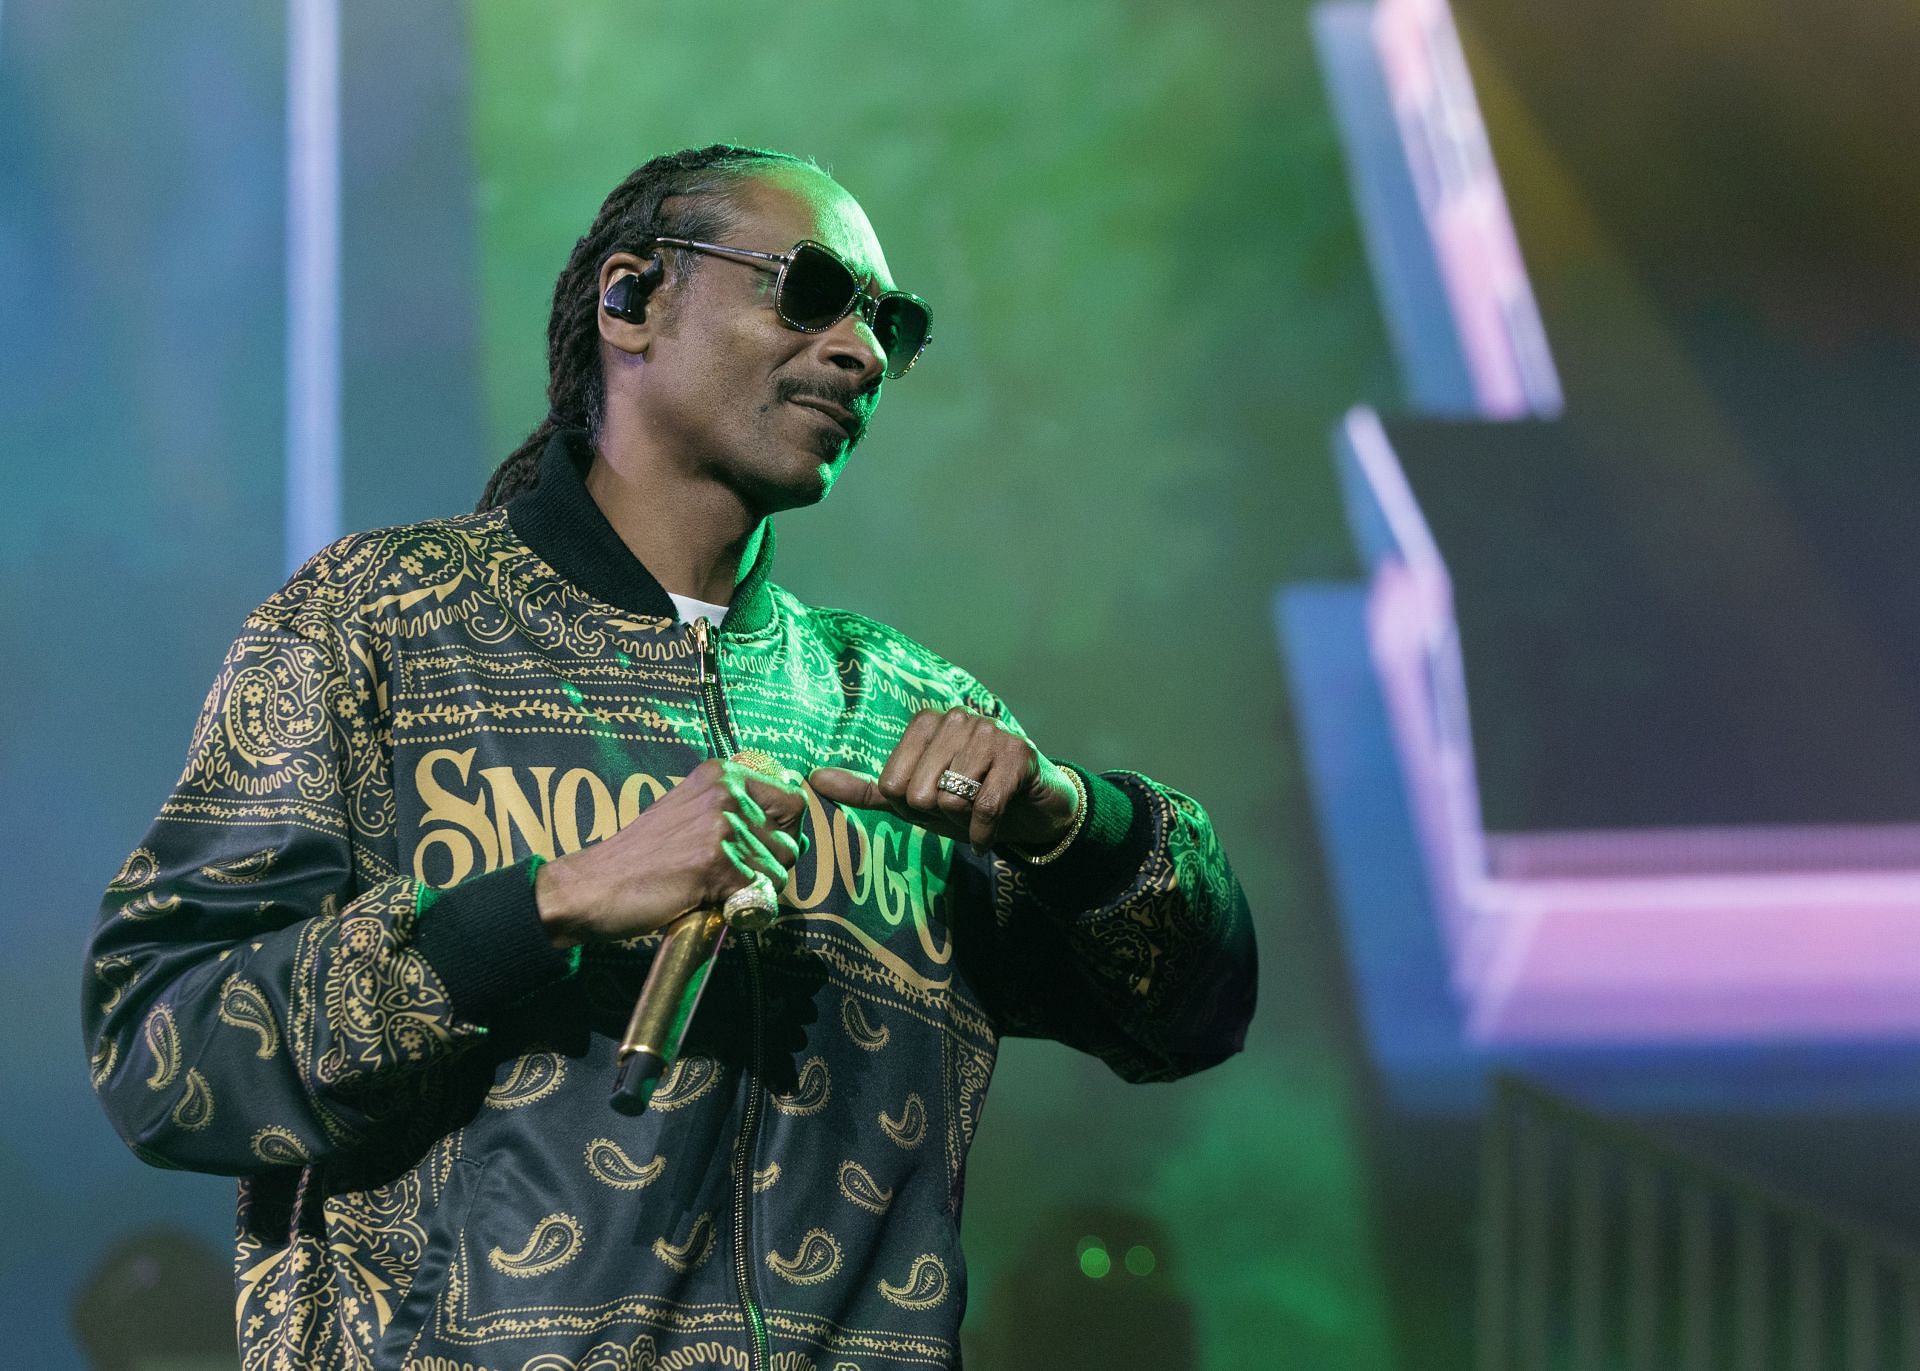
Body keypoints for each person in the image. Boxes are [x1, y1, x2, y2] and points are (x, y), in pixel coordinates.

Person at [84, 144, 1256, 1371]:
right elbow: (161, 1047)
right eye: (810, 290)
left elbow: (1193, 1016)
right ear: (632, 300)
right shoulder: (383, 625)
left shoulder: (900, 711)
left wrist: (1075, 826)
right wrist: (553, 900)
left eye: (889, 323)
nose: (861, 351)